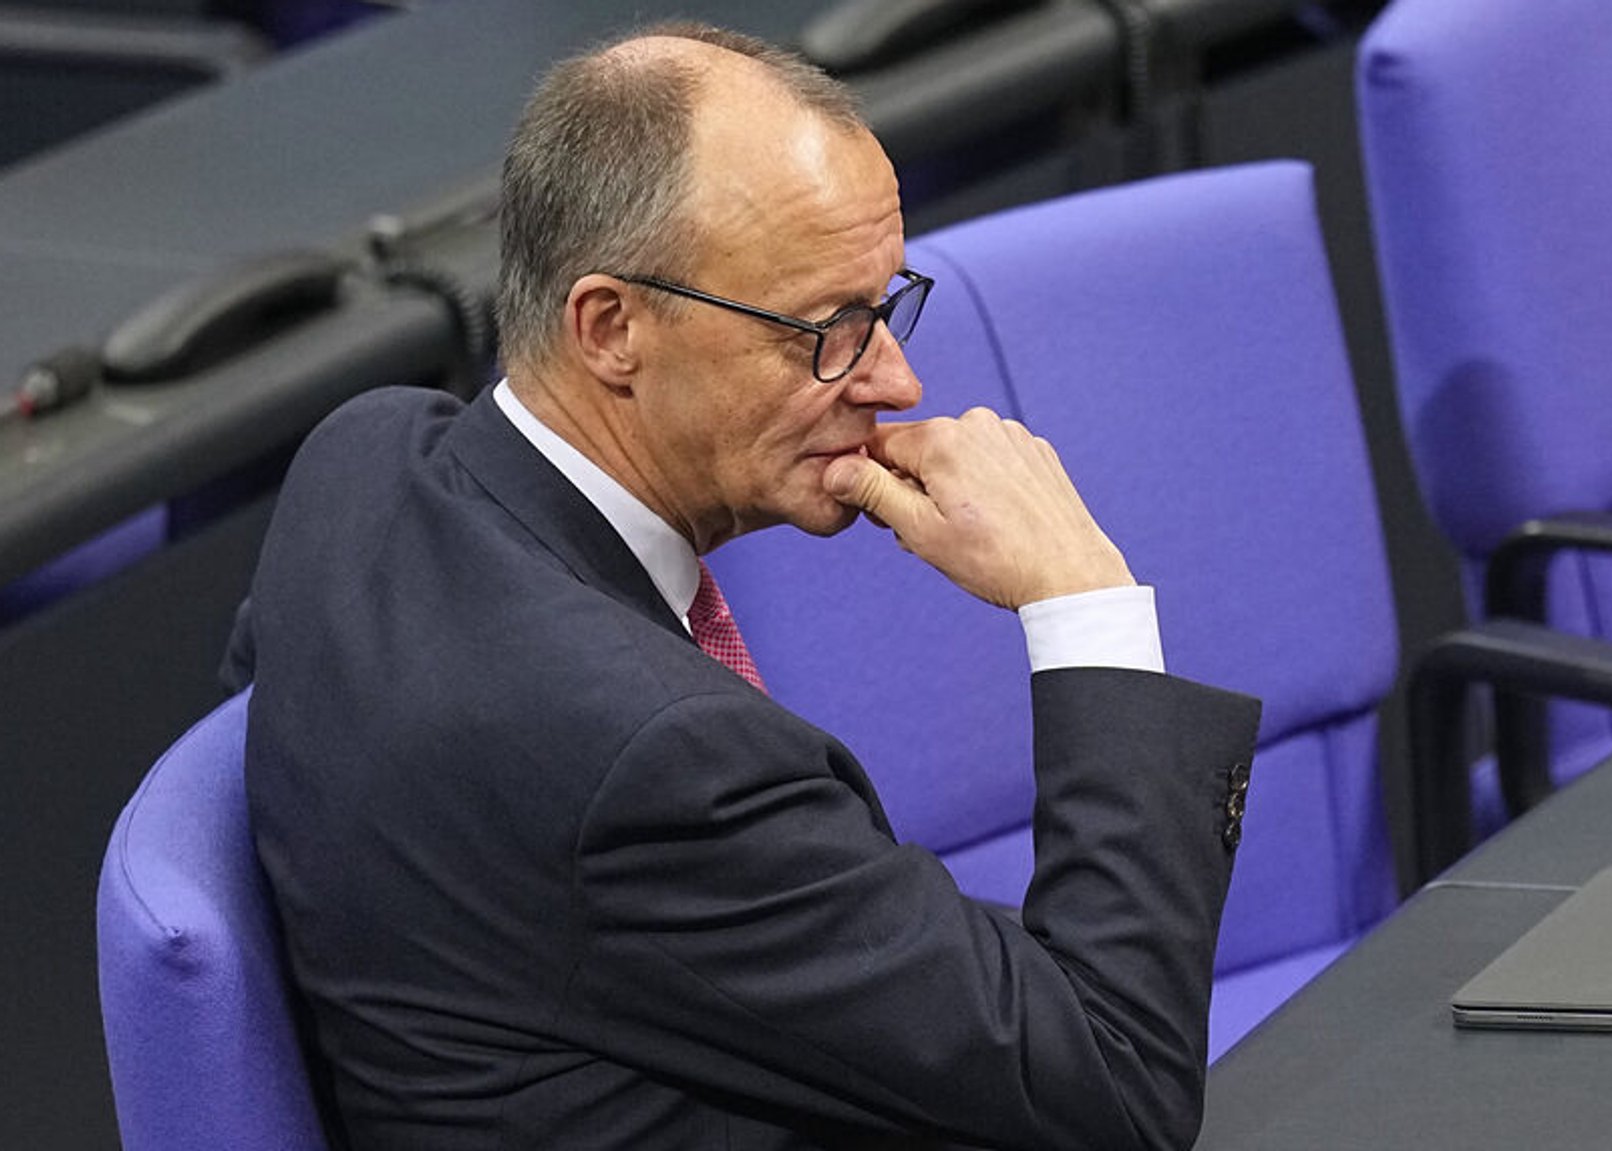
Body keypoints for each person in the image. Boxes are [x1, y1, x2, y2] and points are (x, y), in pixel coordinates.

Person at [228, 22, 1259, 1151]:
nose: (896, 379)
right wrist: (1083, 604)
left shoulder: (367, 458)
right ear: (611, 327)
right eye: (825, 332)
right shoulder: (649, 758)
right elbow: (1116, 1090)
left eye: (885, 305)